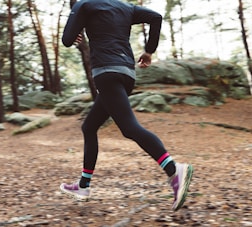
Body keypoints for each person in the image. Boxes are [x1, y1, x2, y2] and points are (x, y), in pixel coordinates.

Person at [60, 0, 193, 211]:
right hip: (127, 74)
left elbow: (67, 40)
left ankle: (174, 170)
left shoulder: (84, 5)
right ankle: (83, 186)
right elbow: (156, 17)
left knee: (130, 128)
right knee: (89, 126)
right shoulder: (126, 7)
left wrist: (75, 31)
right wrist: (149, 51)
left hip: (106, 72)